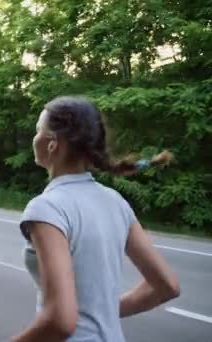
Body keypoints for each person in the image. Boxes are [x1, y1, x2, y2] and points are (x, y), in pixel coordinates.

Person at [12, 96, 179, 342]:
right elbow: (167, 286)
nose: (33, 137)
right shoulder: (115, 201)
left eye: (38, 130)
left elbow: (60, 322)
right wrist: (103, 313)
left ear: (52, 144)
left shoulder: (46, 208)